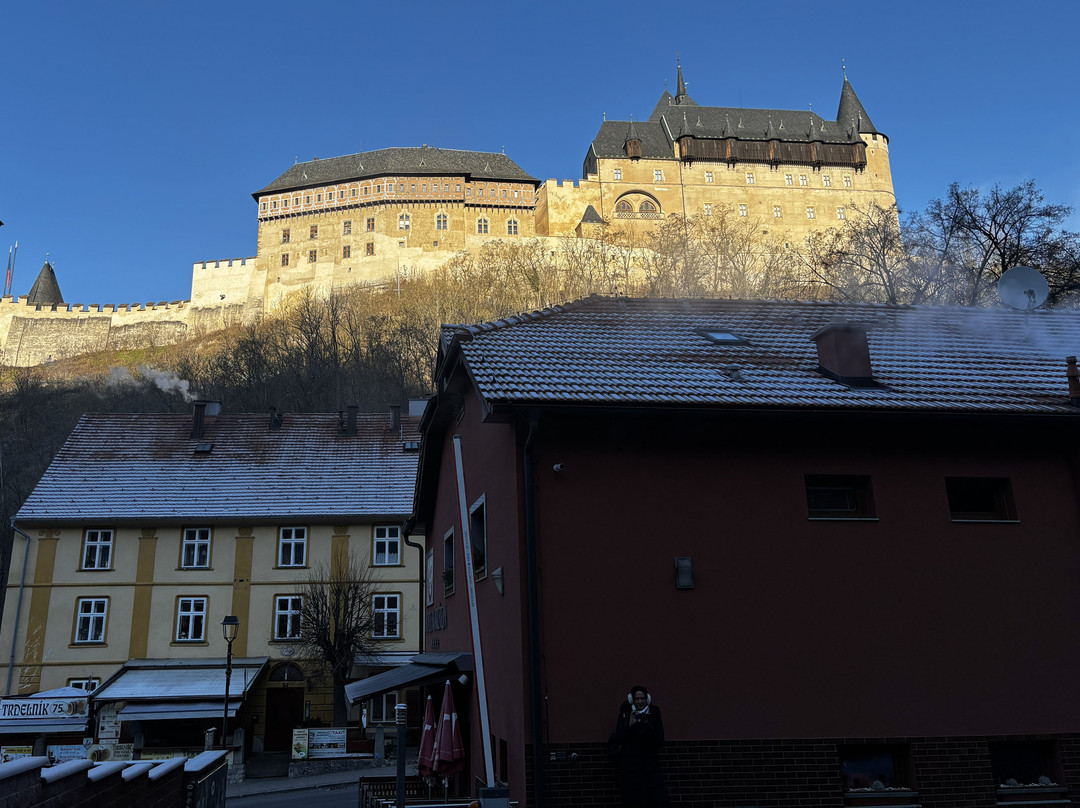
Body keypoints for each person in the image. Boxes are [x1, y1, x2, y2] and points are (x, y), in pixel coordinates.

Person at [611, 685, 670, 807]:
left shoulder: (654, 714)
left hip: (650, 766)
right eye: (637, 699)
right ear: (632, 700)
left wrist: (647, 725)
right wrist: (630, 726)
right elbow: (619, 738)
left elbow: (659, 740)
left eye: (642, 698)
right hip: (631, 768)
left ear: (647, 699)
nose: (640, 702)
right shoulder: (625, 714)